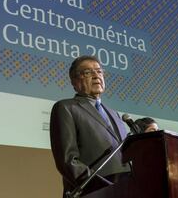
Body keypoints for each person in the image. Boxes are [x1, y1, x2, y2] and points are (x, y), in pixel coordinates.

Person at [50, 55, 131, 197]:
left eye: (99, 71)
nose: (96, 76)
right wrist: (104, 188)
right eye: (88, 72)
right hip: (94, 192)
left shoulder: (115, 114)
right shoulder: (66, 107)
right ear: (74, 81)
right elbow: (68, 161)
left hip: (126, 190)